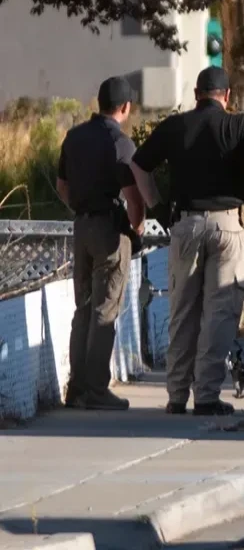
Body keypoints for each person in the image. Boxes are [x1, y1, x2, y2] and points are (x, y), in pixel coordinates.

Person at [130, 67, 244, 416]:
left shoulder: (175, 126)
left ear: (197, 93)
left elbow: (139, 167)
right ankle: (208, 395)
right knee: (220, 313)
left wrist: (156, 205)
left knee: (183, 310)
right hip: (228, 225)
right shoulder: (238, 125)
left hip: (185, 224)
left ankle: (176, 395)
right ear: (226, 96)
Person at [55, 76, 146, 411]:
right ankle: (96, 388)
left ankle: (76, 388)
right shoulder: (120, 143)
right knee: (105, 310)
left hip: (81, 227)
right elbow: (135, 199)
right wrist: (135, 229)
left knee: (83, 310)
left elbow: (62, 185)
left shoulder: (74, 137)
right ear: (124, 107)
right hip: (109, 229)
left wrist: (81, 212)